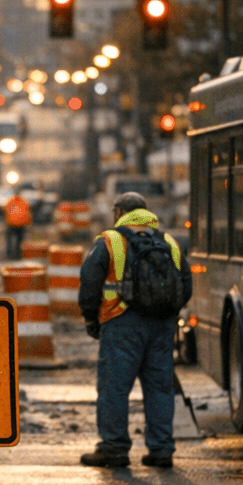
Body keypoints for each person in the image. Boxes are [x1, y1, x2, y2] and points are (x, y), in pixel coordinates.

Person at [77, 192, 189, 469]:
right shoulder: (169, 242)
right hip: (162, 326)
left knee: (114, 387)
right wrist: (167, 313)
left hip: (121, 322)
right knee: (160, 388)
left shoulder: (111, 240)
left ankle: (113, 448)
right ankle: (161, 450)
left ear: (119, 213)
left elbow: (89, 284)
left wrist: (92, 320)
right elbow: (185, 285)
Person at [3, 192, 32, 259]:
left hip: (11, 223)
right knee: (19, 239)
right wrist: (28, 223)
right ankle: (18, 253)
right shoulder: (24, 202)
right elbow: (28, 212)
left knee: (9, 238)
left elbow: (5, 209)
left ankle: (9, 252)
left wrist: (7, 220)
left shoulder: (10, 201)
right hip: (21, 224)